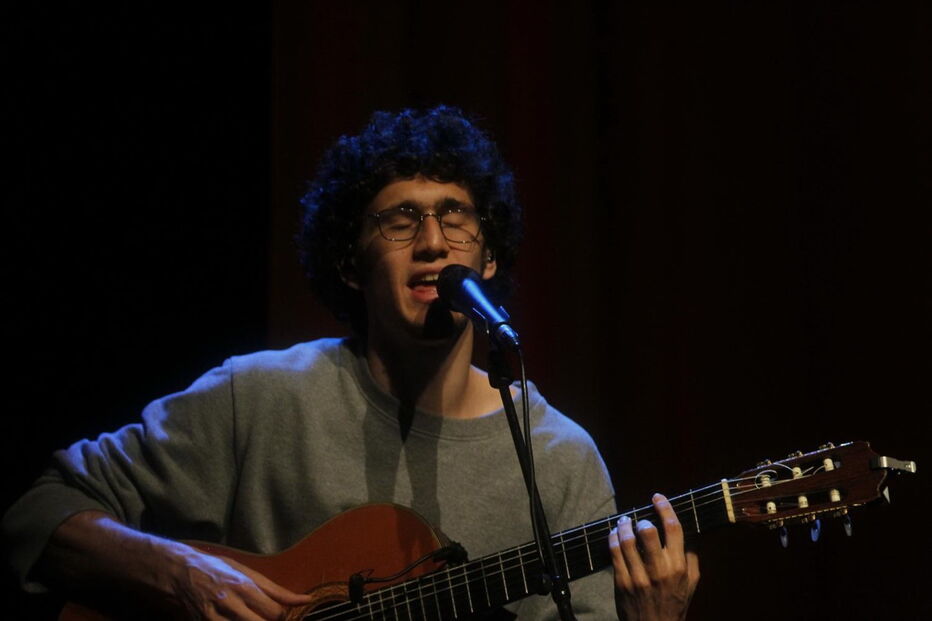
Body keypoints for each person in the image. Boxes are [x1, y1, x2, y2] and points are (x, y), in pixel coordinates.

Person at [2, 106, 698, 620]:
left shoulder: (561, 460)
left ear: (489, 259)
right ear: (351, 264)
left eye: (456, 218)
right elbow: (37, 512)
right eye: (400, 221)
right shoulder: (260, 397)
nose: (432, 242)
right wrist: (181, 572)